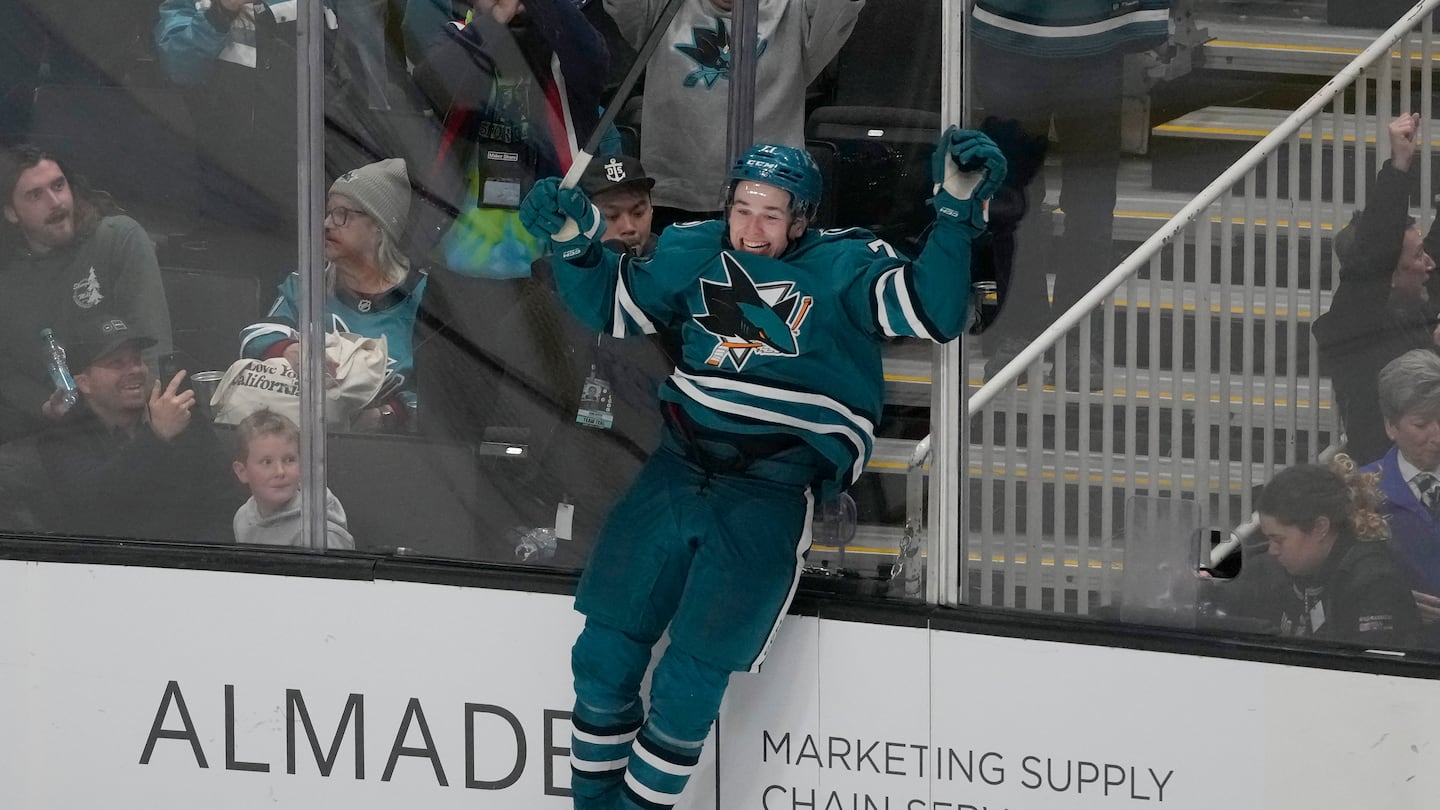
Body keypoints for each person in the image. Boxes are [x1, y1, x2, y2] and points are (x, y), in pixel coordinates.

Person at [519, 129, 1004, 810]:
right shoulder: (695, 250)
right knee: (601, 659)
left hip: (767, 493)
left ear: (802, 218)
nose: (751, 228)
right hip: (675, 470)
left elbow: (937, 308)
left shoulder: (846, 266)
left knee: (688, 687)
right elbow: (612, 305)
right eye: (743, 208)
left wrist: (953, 214)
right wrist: (573, 244)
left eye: (771, 214)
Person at [971, 0, 1171, 384]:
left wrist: (1145, 17)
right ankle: (1020, 327)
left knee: (1090, 205)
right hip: (1008, 46)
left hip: (1094, 47)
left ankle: (1077, 335)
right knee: (1013, 201)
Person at [605, 0, 863, 227]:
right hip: (673, 195)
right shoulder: (661, 9)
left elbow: (840, 7)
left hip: (769, 199)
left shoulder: (796, 11)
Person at [408, 0, 609, 278]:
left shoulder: (565, 45)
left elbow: (592, 56)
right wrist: (497, 18)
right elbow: (434, 86)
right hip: (454, 265)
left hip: (555, 256)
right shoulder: (456, 36)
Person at [0, 146, 173, 444]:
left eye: (58, 185)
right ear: (11, 213)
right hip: (49, 433)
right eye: (35, 195)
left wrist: (150, 436)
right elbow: (6, 372)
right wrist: (44, 406)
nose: (55, 202)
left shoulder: (117, 238)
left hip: (132, 426)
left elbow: (153, 346)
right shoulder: (8, 275)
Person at [240, 158, 426, 430]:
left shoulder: (423, 298)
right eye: (328, 213)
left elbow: (441, 404)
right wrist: (290, 350)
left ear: (379, 226)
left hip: (393, 455)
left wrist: (385, 416)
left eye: (342, 214)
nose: (327, 223)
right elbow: (254, 337)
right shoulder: (305, 284)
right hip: (299, 443)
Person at [36, 314, 235, 543]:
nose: (135, 370)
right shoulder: (62, 438)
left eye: (137, 359)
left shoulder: (184, 417)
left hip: (194, 563)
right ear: (84, 383)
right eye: (117, 363)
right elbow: (93, 509)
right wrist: (156, 437)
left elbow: (224, 504)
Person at [1314, 113, 1440, 467]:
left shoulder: (1416, 297)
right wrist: (1398, 166)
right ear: (1388, 274)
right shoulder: (1353, 327)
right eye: (1417, 256)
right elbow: (1373, 256)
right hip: (1383, 490)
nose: (1429, 264)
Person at [1219, 460, 1418, 647]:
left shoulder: (1374, 585)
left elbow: (1371, 673)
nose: (1272, 550)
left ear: (1319, 528)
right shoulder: (1271, 569)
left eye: (1278, 540)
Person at [1359, 349, 1440, 648]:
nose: (1438, 436)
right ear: (1390, 426)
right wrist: (1393, 601)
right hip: (1398, 656)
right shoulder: (1360, 491)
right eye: (1422, 425)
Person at [231, 408, 354, 549]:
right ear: (242, 471)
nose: (280, 471)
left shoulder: (320, 536)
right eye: (267, 462)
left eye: (289, 460)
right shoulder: (242, 519)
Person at [580, 153, 657, 257]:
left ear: (651, 210)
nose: (628, 227)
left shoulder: (675, 262)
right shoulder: (561, 270)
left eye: (638, 213)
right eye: (612, 216)